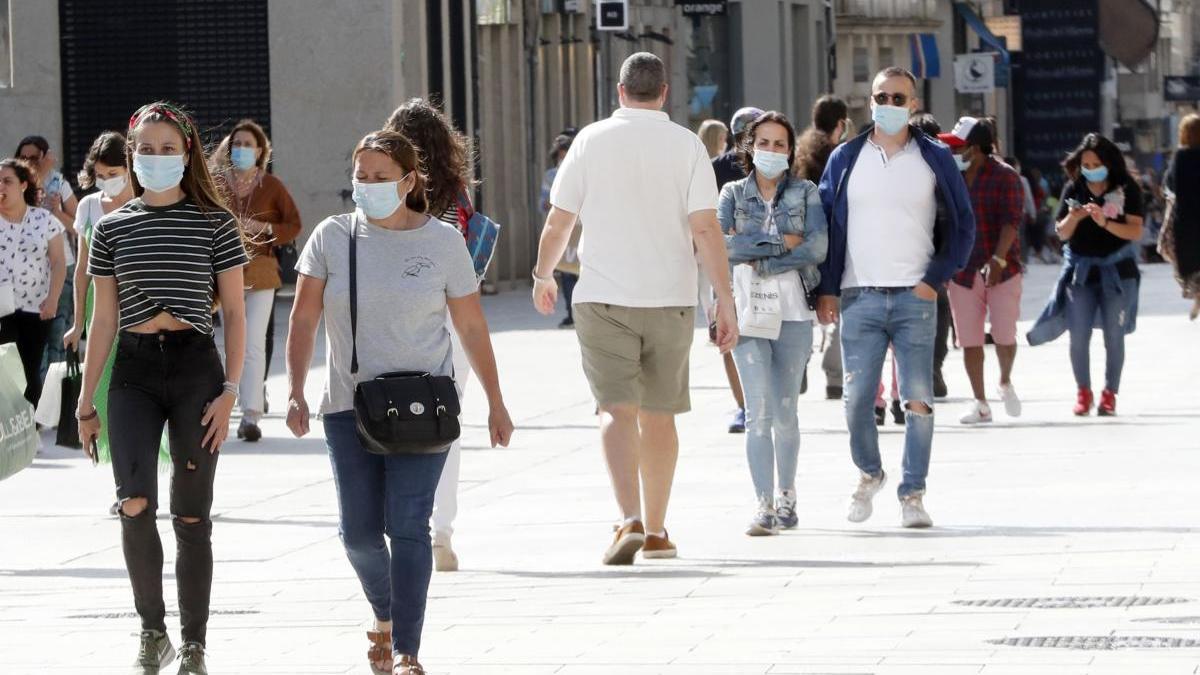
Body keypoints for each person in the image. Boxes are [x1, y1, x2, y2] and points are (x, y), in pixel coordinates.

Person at [286, 130, 513, 675]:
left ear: (409, 181)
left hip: (424, 407)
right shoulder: (332, 236)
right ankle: (385, 614)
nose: (366, 187)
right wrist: (294, 389)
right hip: (348, 404)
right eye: (360, 177)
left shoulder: (441, 242)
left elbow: (471, 324)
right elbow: (303, 317)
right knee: (360, 535)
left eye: (380, 178)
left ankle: (407, 648)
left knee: (408, 526)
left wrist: (497, 401)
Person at [532, 52, 737, 564]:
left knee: (615, 409)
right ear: (664, 93)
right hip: (669, 299)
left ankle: (628, 518)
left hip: (603, 297)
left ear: (620, 92)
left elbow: (560, 222)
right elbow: (706, 227)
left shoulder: (590, 141)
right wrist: (724, 298)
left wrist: (542, 274)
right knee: (660, 416)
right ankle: (659, 530)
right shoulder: (688, 146)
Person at [77, 101, 248, 675]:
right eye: (145, 149)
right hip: (133, 371)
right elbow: (103, 319)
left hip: (197, 369)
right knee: (134, 503)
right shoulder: (111, 227)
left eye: (167, 148)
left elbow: (235, 313)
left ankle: (194, 643)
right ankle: (153, 632)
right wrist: (85, 400)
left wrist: (231, 390)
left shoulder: (215, 223)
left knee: (191, 514)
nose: (155, 157)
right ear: (131, 156)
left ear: (188, 153)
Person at [816, 67, 975, 529]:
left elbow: (963, 225)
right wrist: (826, 288)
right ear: (869, 102)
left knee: (918, 398)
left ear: (914, 104)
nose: (888, 103)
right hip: (858, 294)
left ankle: (913, 493)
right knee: (856, 399)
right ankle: (869, 473)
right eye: (880, 96)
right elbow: (826, 226)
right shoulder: (845, 158)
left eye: (898, 97)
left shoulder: (936, 158)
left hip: (915, 296)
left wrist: (935, 279)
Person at [718, 111, 827, 536]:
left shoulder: (806, 193)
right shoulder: (731, 193)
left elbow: (817, 245)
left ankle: (787, 494)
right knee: (757, 408)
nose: (771, 151)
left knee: (785, 410)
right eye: (763, 142)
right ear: (750, 147)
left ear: (790, 150)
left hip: (794, 312)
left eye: (780, 144)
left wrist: (757, 254)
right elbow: (723, 245)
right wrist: (780, 245)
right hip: (747, 314)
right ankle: (762, 504)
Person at [383, 98, 478, 573]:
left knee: (387, 415)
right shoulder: (458, 195)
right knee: (446, 424)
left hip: (395, 317)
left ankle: (402, 523)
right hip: (450, 318)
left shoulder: (387, 188)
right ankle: (442, 533)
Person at [65, 132, 169, 484]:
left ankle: (159, 471)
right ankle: (125, 480)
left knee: (150, 395)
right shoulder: (88, 207)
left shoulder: (149, 201)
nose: (108, 181)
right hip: (102, 314)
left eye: (114, 172)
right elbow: (81, 270)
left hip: (141, 310)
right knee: (107, 396)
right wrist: (77, 322)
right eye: (101, 175)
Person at [1028, 133, 1143, 417]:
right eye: (1086, 164)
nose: (1091, 169)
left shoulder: (1127, 188)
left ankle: (1109, 393)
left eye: (1096, 163)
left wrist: (1105, 222)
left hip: (1117, 271)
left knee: (1114, 336)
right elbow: (1061, 232)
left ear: (1109, 163)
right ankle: (1083, 391)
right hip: (1081, 271)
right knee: (1078, 335)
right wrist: (1074, 218)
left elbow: (1135, 231)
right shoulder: (1074, 188)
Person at [211, 119, 303, 442]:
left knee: (252, 342)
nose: (241, 150)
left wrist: (264, 230)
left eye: (248, 145)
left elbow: (294, 224)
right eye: (236, 144)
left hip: (262, 270)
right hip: (224, 270)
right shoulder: (217, 183)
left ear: (261, 150)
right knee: (232, 338)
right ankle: (231, 401)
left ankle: (250, 413)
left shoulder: (272, 186)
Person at [939, 118, 1025, 424]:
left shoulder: (1006, 177)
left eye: (957, 147)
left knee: (1004, 334)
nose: (951, 152)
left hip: (1003, 269)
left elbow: (1011, 222)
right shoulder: (951, 179)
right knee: (969, 339)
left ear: (974, 149)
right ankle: (980, 401)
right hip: (962, 271)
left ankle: (1004, 380)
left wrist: (998, 261)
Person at [795, 95, 850, 401]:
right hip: (833, 244)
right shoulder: (839, 155)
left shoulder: (800, 152)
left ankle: (799, 360)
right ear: (841, 124)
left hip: (801, 246)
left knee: (802, 310)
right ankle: (835, 376)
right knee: (838, 313)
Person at [0, 157, 67, 404]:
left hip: (35, 307)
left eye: (7, 181)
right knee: (5, 370)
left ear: (24, 185)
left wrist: (53, 298)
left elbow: (59, 262)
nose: (1, 187)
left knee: (29, 369)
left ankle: (30, 429)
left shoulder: (44, 220)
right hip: (1, 309)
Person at [712, 106, 762, 432]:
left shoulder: (773, 161)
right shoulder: (717, 169)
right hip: (731, 263)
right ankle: (746, 406)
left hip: (757, 261)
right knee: (729, 334)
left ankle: (748, 405)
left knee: (732, 335)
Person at [16, 136, 78, 380]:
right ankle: (37, 399)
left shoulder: (58, 183)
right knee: (31, 339)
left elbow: (78, 226)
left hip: (61, 268)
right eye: (23, 158)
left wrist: (58, 212)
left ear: (43, 156)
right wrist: (39, 172)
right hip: (27, 274)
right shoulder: (13, 185)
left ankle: (57, 404)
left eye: (33, 158)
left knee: (57, 336)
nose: (27, 162)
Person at [1160, 113, 1200, 319]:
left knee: (1190, 265)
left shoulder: (1181, 157)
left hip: (1186, 221)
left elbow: (1168, 185)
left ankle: (1197, 295)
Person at [542, 132, 581, 328]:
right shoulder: (551, 176)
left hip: (583, 230)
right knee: (566, 273)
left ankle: (582, 313)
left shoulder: (583, 171)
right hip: (563, 230)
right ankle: (571, 312)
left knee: (583, 272)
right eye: (561, 155)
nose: (564, 158)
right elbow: (543, 203)